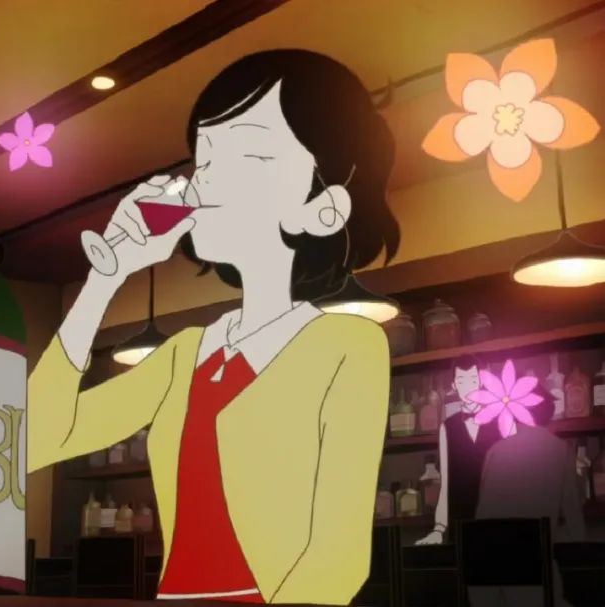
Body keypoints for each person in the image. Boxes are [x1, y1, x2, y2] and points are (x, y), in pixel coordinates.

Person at [28, 49, 400, 605]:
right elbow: (36, 441)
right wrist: (105, 280)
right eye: (204, 161)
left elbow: (338, 556)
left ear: (321, 207)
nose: (204, 184)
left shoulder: (348, 345)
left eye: (248, 156)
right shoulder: (185, 355)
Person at [470, 394, 586, 607]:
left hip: (488, 571)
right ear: (549, 414)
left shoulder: (496, 450)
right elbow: (575, 523)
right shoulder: (560, 449)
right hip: (535, 572)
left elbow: (482, 516)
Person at [417, 355, 502, 546]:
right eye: (462, 381)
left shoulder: (498, 420)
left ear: (481, 382)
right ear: (454, 386)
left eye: (473, 380)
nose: (468, 387)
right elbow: (446, 482)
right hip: (460, 522)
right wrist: (439, 529)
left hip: (495, 518)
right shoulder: (447, 427)